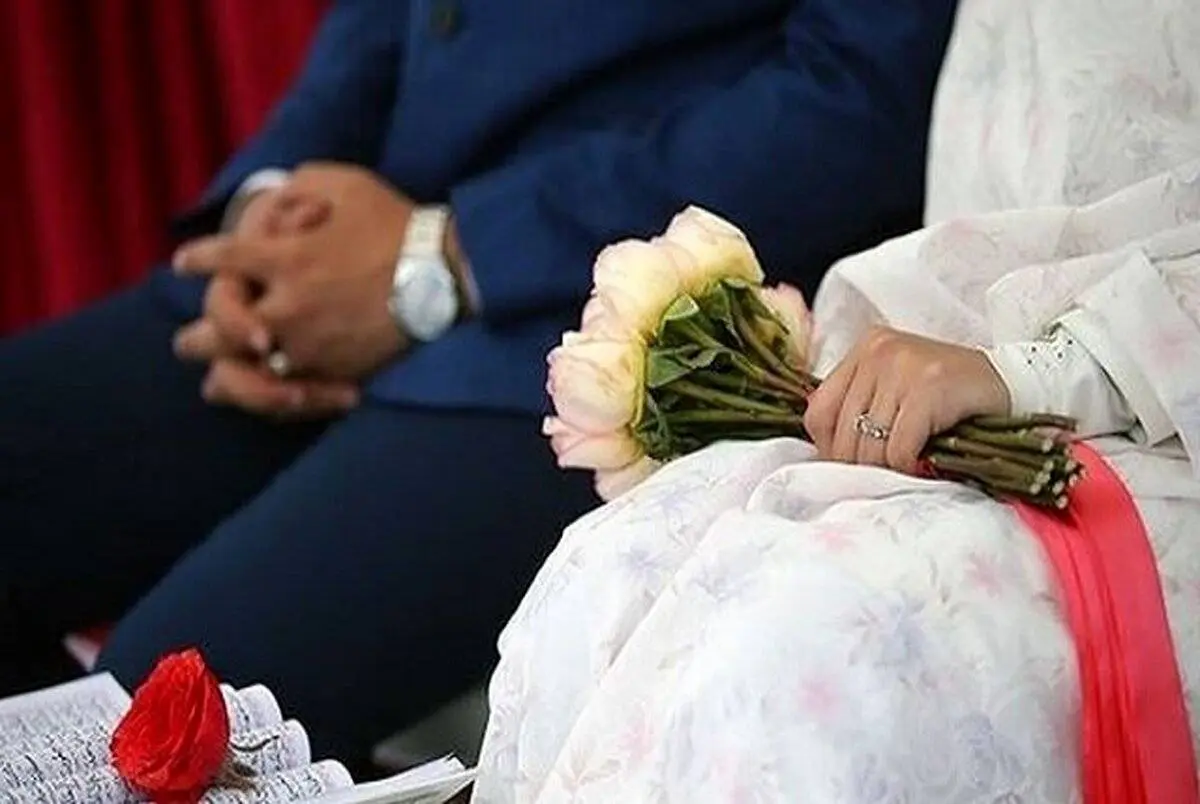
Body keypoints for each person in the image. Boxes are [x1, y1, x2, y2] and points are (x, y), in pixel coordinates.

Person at [0, 0, 959, 772]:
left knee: (147, 730)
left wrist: (448, 256)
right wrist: (268, 219)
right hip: (353, 226)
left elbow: (859, 92)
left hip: (605, 324)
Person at [471, 0, 1200, 800]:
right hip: (967, 327)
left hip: (1154, 405)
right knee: (612, 567)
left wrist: (1046, 371)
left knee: (811, 641)